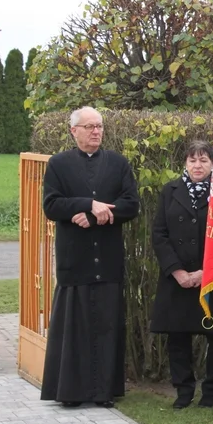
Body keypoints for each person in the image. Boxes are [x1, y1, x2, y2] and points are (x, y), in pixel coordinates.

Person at [40, 106, 140, 408]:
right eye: (89, 126)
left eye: (99, 126)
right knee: (75, 328)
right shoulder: (58, 164)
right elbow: (51, 205)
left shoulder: (118, 163)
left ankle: (103, 392)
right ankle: (71, 392)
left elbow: (130, 204)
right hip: (76, 260)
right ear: (74, 131)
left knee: (107, 327)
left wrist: (97, 216)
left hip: (107, 259)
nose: (96, 131)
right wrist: (86, 205)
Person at [150, 141, 213, 410]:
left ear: (212, 164)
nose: (197, 165)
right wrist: (178, 271)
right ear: (185, 163)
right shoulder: (170, 191)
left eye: (204, 160)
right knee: (178, 337)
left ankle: (212, 392)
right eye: (192, 160)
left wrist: (208, 272)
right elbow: (159, 234)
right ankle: (183, 390)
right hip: (178, 279)